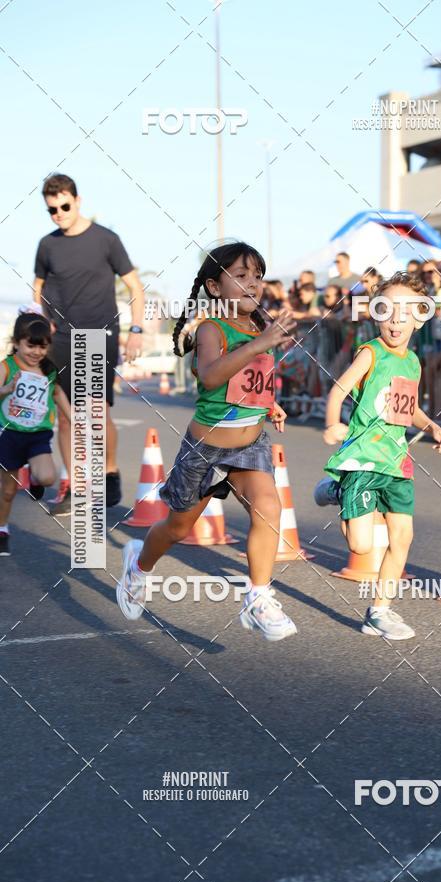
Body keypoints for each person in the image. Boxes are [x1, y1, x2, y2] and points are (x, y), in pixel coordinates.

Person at [116, 241, 299, 641]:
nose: (253, 284)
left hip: (250, 446)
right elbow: (212, 377)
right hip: (206, 449)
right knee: (178, 529)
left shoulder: (258, 330)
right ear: (215, 288)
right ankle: (138, 566)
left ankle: (258, 598)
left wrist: (270, 404)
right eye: (242, 275)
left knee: (269, 506)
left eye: (258, 276)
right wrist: (260, 343)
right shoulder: (213, 329)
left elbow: (250, 383)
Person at [313, 272, 441, 640]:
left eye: (406, 312)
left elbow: (408, 409)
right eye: (387, 310)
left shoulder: (413, 362)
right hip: (363, 457)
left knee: (401, 537)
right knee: (361, 545)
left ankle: (380, 611)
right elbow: (339, 389)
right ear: (376, 315)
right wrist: (331, 423)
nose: (396, 319)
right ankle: (339, 489)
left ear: (420, 318)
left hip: (396, 459)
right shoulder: (371, 352)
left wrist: (432, 426)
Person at [33, 173, 146, 515]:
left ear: (78, 201)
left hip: (99, 333)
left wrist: (136, 330)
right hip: (60, 338)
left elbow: (135, 286)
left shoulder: (106, 240)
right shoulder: (47, 245)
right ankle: (74, 484)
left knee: (95, 411)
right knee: (65, 418)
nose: (59, 214)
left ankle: (109, 470)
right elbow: (37, 285)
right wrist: (42, 320)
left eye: (64, 206)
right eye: (52, 209)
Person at [0, 314, 71, 556]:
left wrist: (75, 419)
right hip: (8, 435)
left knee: (48, 477)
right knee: (7, 492)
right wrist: (6, 390)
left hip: (37, 435)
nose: (36, 352)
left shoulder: (48, 370)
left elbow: (58, 394)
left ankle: (34, 476)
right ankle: (2, 528)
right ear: (16, 342)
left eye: (42, 346)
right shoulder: (6, 367)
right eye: (30, 345)